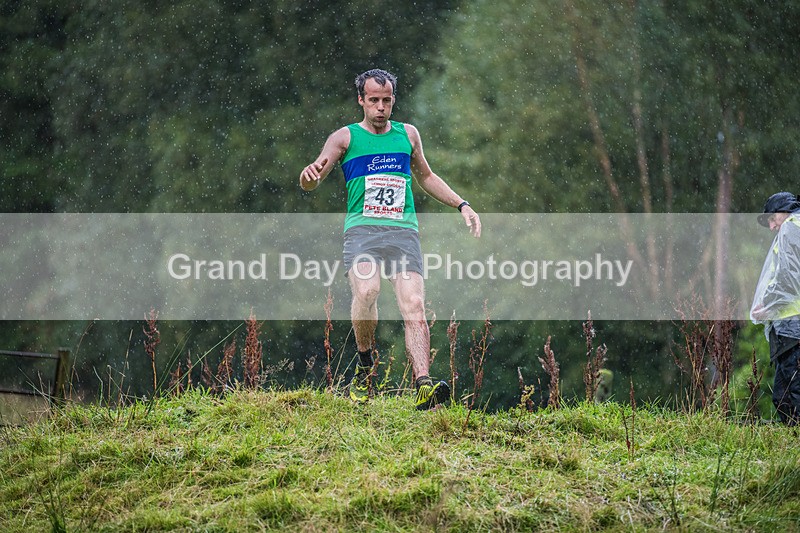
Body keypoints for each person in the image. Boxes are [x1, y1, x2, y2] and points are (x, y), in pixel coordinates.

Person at [299, 69, 481, 410]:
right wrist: (307, 177)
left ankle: (424, 384)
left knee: (413, 304)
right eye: (373, 101)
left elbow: (425, 176)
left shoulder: (408, 135)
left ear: (393, 99)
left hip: (402, 233)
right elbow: (313, 179)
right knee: (367, 292)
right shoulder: (345, 138)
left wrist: (462, 204)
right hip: (362, 233)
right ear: (361, 101)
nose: (380, 108)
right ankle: (365, 364)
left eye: (386, 100)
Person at [751, 191, 800, 425]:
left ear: (783, 212)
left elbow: (788, 278)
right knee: (784, 397)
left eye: (772, 219)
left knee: (790, 395)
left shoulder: (791, 227)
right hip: (791, 329)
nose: (771, 227)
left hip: (794, 330)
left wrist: (767, 304)